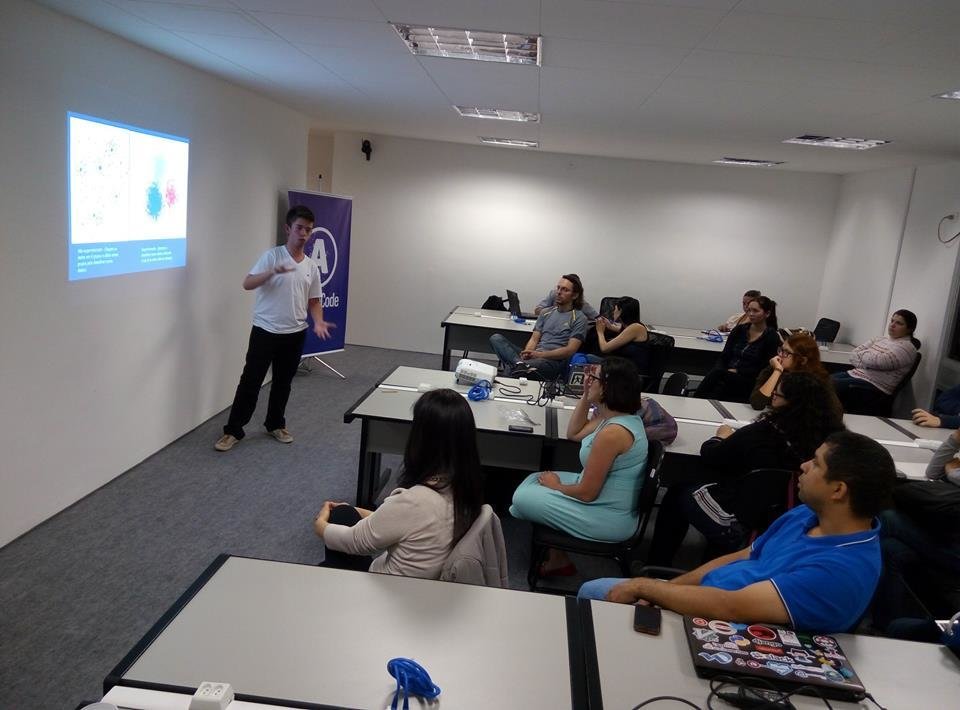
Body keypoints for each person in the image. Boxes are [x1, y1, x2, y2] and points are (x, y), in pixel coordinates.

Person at [578, 431, 897, 634]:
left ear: (838, 490)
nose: (803, 466)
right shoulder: (808, 515)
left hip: (725, 629)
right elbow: (745, 555)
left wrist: (645, 587)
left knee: (593, 595)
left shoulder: (839, 570)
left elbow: (731, 607)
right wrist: (664, 590)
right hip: (710, 603)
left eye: (816, 463)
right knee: (597, 592)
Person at [650, 372, 845, 565]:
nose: (772, 399)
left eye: (776, 396)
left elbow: (712, 455)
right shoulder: (832, 442)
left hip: (743, 520)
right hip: (799, 521)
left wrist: (720, 437)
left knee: (677, 493)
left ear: (791, 403)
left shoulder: (765, 431)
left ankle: (659, 564)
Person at [313, 389, 484, 577]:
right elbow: (406, 521)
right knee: (345, 512)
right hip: (424, 583)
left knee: (337, 520)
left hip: (388, 588)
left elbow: (355, 542)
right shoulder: (462, 486)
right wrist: (355, 510)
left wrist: (321, 525)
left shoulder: (416, 500)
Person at [510, 357, 648, 576]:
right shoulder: (613, 417)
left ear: (607, 388)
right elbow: (573, 433)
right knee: (535, 479)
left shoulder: (613, 434)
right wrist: (586, 395)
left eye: (593, 378)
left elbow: (587, 494)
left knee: (521, 498)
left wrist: (556, 487)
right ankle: (558, 557)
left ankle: (557, 557)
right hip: (600, 498)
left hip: (606, 516)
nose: (588, 380)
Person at [215, 206, 336, 452]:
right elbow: (248, 283)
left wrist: (319, 321)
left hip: (295, 333)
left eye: (308, 230)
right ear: (288, 229)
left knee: (283, 382)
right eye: (299, 228)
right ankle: (233, 430)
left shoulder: (311, 266)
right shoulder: (271, 257)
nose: (303, 234)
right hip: (265, 331)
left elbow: (314, 300)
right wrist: (271, 272)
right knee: (251, 382)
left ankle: (275, 424)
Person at [489, 274, 589, 380]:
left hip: (552, 362)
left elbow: (570, 350)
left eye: (565, 290)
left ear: (575, 295)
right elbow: (534, 339)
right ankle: (520, 364)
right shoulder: (545, 312)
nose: (559, 292)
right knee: (496, 338)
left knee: (517, 368)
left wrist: (540, 355)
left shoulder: (579, 318)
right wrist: (528, 352)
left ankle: (518, 366)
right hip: (534, 356)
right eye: (558, 288)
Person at [832, 310, 919, 415]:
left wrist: (864, 355)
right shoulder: (880, 339)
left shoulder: (907, 347)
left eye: (899, 323)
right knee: (821, 380)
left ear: (909, 329)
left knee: (827, 387)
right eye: (892, 321)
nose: (892, 325)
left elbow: (881, 362)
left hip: (875, 386)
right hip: (857, 375)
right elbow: (854, 354)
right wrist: (869, 362)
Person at [695, 295, 779, 403]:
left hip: (748, 379)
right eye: (749, 310)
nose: (751, 314)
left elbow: (764, 367)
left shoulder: (771, 337)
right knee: (717, 375)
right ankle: (698, 400)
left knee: (716, 378)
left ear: (767, 314)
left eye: (755, 311)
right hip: (726, 375)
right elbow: (724, 356)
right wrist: (723, 369)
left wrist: (739, 371)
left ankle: (696, 399)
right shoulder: (739, 330)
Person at [750, 332, 842, 415]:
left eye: (786, 352)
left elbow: (835, 412)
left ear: (802, 360)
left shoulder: (817, 378)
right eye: (781, 350)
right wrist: (777, 371)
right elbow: (757, 403)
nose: (780, 355)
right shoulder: (774, 368)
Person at [593, 296, 650, 374]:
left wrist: (600, 331)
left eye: (615, 309)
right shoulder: (629, 326)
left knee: (584, 358)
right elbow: (621, 330)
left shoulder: (636, 328)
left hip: (629, 370)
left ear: (621, 311)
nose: (613, 312)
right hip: (622, 364)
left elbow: (604, 348)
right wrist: (609, 325)